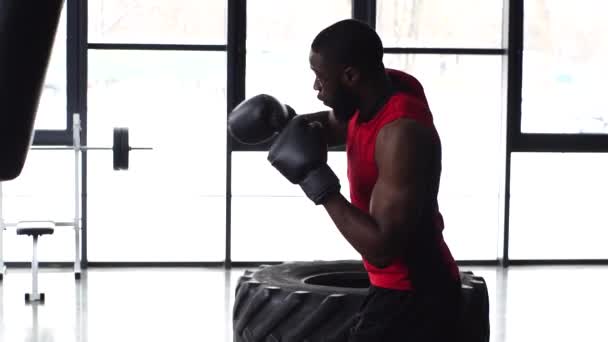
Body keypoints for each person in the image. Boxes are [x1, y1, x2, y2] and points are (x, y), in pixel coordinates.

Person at [229, 19, 462, 341]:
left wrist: (317, 181)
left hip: (417, 297)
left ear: (351, 75)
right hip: (397, 289)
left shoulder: (402, 135)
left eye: (320, 78)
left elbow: (382, 248)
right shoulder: (381, 89)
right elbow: (337, 125)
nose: (316, 88)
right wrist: (285, 122)